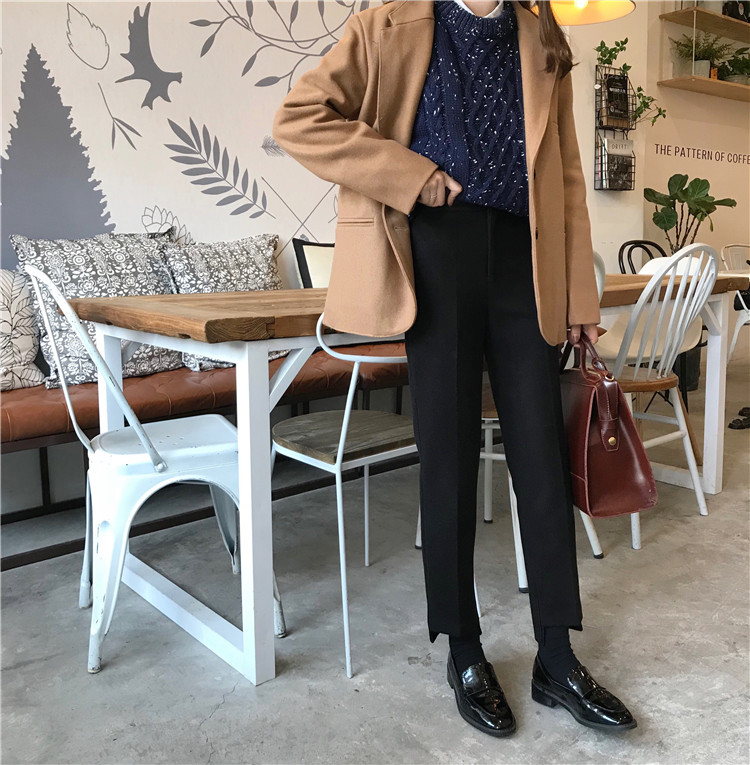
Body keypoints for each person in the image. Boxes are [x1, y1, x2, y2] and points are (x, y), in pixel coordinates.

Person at [272, 0, 636, 738]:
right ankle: (463, 648)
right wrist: (411, 175)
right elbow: (300, 118)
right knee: (448, 454)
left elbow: (566, 174)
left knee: (541, 454)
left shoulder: (540, 34)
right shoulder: (388, 25)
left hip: (525, 257)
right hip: (433, 251)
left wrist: (579, 295)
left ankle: (556, 655)